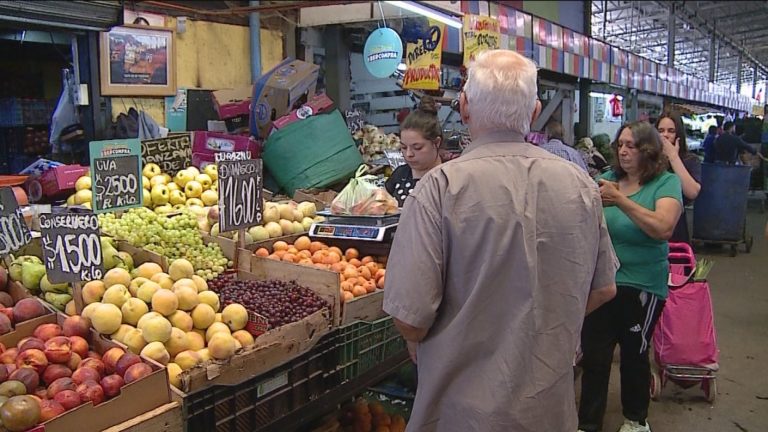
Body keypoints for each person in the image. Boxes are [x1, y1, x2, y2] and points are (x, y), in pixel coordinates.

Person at [383, 49, 618, 432]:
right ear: (535, 109)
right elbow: (604, 288)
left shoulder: (438, 189)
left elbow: (410, 321)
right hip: (549, 411)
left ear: (464, 107)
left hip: (461, 414)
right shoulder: (580, 186)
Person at [578, 121, 683, 432]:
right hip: (602, 283)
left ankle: (636, 420)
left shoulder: (664, 183)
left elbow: (663, 228)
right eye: (620, 144)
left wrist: (621, 201)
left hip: (642, 283)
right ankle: (588, 423)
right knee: (595, 354)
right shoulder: (607, 179)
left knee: (634, 353)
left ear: (648, 150)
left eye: (631, 146)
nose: (623, 150)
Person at [385, 96, 443, 207]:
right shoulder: (399, 174)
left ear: (436, 143)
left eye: (417, 148)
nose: (409, 154)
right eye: (403, 147)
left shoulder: (449, 178)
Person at [656, 113, 701, 243]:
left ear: (679, 135)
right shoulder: (648, 160)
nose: (665, 135)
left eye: (671, 131)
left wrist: (673, 157)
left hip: (677, 230)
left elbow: (692, 192)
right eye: (660, 131)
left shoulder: (690, 160)